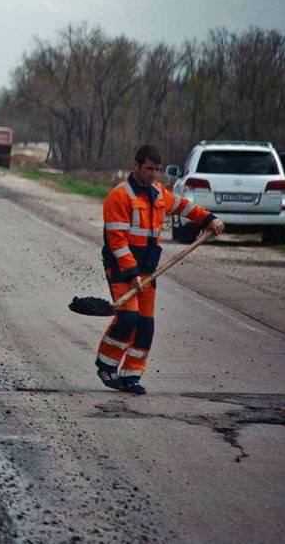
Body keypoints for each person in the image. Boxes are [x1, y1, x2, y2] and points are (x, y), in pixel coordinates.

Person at [95, 144, 223, 395]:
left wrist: (209, 219)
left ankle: (131, 376)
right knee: (128, 318)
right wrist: (132, 274)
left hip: (149, 269)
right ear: (135, 166)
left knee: (145, 325)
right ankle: (107, 365)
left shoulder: (158, 192)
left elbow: (184, 206)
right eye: (149, 168)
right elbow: (117, 241)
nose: (153, 174)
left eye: (157, 169)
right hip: (122, 268)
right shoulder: (119, 197)